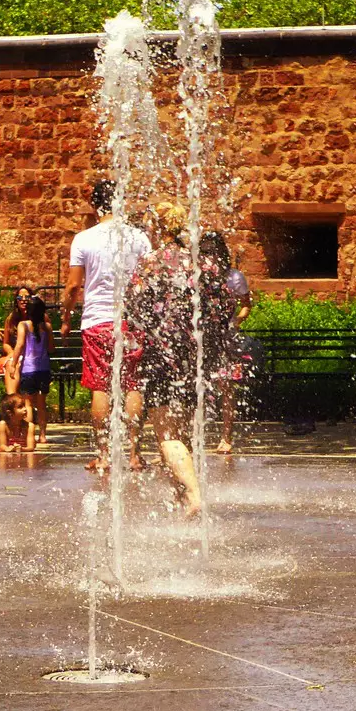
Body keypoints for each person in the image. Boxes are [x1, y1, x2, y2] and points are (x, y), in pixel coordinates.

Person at [123, 203, 227, 516]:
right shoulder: (204, 263)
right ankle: (181, 495)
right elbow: (223, 308)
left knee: (167, 436)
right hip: (195, 356)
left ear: (157, 227)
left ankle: (194, 496)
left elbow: (133, 309)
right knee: (183, 434)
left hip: (161, 356)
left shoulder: (149, 263)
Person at [63, 181, 152, 473]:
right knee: (133, 384)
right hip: (133, 321)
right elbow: (148, 281)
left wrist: (65, 318)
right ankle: (135, 454)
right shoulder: (139, 238)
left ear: (95, 205)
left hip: (97, 321)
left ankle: (103, 455)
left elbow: (74, 285)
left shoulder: (83, 239)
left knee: (100, 387)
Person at [204, 232, 254, 455]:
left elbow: (246, 304)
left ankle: (226, 436)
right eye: (204, 251)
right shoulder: (195, 275)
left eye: (211, 251)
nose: (208, 256)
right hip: (200, 335)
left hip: (224, 336)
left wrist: (236, 321)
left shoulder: (233, 277)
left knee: (226, 387)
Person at [0, 290, 50, 454]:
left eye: (27, 297)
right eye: (20, 297)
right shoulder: (44, 325)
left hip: (28, 367)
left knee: (28, 403)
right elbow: (51, 347)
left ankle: (29, 432)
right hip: (43, 368)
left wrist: (15, 360)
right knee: (41, 403)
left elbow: (20, 345)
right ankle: (41, 434)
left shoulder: (24, 325)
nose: (24, 300)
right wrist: (12, 356)